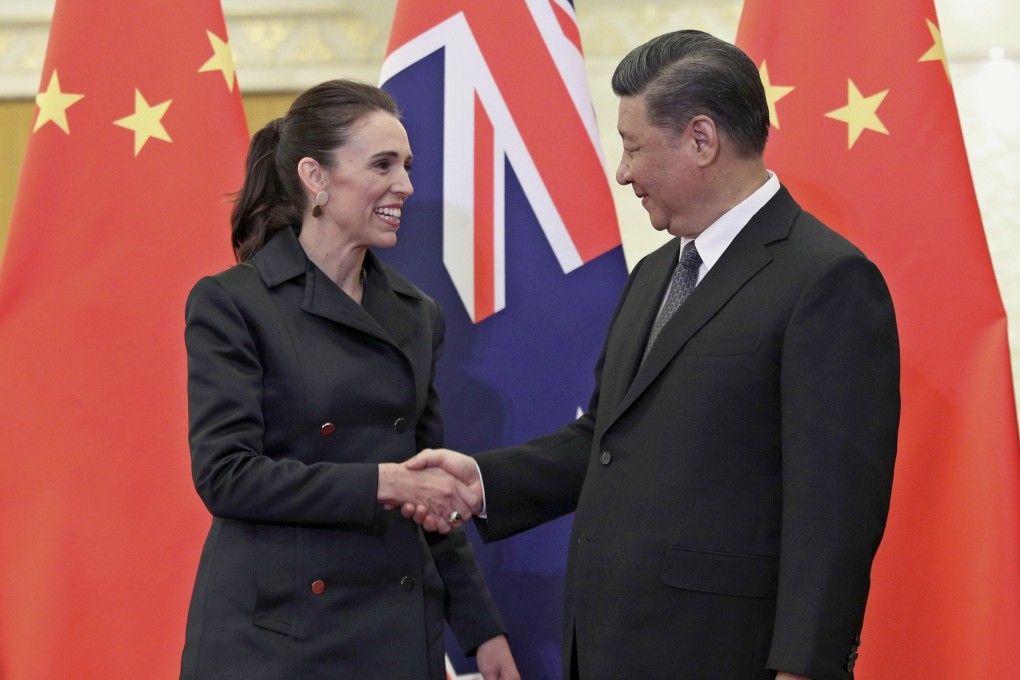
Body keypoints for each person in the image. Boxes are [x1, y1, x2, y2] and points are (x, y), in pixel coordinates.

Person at [398, 30, 900, 680]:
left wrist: (804, 668)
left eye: (633, 146)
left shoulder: (826, 281)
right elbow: (605, 438)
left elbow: (833, 512)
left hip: (723, 655)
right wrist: (483, 481)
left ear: (701, 139)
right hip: (608, 647)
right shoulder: (656, 272)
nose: (622, 171)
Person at [179, 79, 518, 680]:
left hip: (391, 633)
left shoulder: (416, 313)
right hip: (276, 641)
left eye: (408, 166)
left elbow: (427, 480)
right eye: (383, 164)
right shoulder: (233, 302)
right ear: (316, 176)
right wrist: (383, 484)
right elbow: (225, 476)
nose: (406, 186)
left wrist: (483, 630)